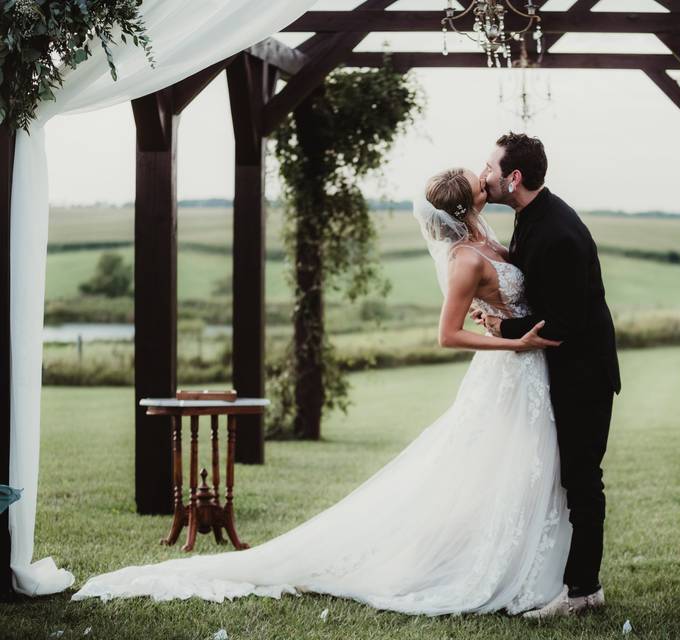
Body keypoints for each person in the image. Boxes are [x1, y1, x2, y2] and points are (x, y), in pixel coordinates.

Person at [71, 167, 575, 616]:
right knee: (501, 466)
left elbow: (504, 296)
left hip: (527, 370)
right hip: (508, 372)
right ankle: (483, 566)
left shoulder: (483, 233)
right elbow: (446, 335)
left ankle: (521, 560)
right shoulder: (463, 258)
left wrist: (507, 325)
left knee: (517, 468)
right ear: (467, 206)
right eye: (477, 178)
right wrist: (514, 341)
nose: (485, 176)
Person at [477, 133, 620, 619]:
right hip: (562, 371)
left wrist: (503, 326)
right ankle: (570, 584)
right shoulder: (532, 217)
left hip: (583, 375)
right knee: (566, 479)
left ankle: (582, 593)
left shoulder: (557, 231)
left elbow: (563, 323)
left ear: (513, 177)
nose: (485, 175)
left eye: (491, 167)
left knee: (583, 481)